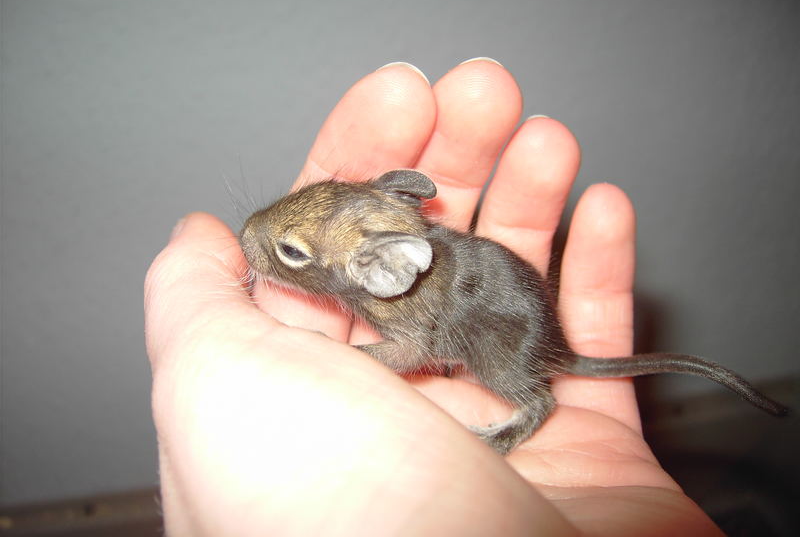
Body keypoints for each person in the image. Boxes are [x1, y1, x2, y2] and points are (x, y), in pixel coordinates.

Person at [144, 59, 722, 535]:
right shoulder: (392, 243)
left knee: (504, 375)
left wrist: (343, 361)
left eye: (291, 252)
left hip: (507, 336)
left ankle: (534, 409)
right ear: (396, 191)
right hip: (491, 299)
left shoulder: (396, 298)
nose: (255, 241)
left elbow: (409, 346)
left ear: (379, 270)